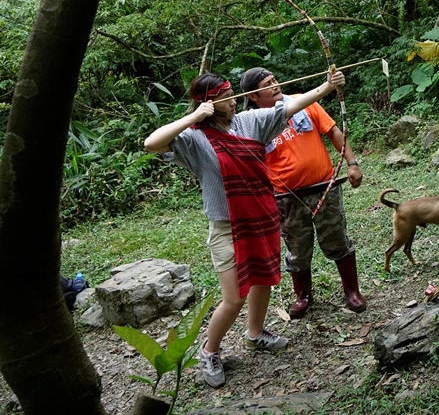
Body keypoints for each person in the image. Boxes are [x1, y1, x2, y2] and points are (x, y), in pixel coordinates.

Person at [143, 69, 343, 388]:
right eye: (223, 96)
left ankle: (255, 334)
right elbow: (152, 143)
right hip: (226, 226)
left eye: (230, 92)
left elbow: (291, 107)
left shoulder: (248, 123)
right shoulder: (194, 137)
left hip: (261, 217)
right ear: (208, 103)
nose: (232, 100)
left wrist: (326, 87)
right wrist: (194, 117)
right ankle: (209, 352)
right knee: (234, 298)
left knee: (263, 279)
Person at [239, 66, 366, 317]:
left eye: (275, 79)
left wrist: (352, 163)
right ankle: (303, 296)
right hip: (286, 198)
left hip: (324, 187)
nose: (275, 85)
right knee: (297, 249)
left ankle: (353, 291)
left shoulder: (301, 102)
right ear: (253, 96)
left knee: (338, 240)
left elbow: (333, 130)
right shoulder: (249, 123)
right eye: (267, 83)